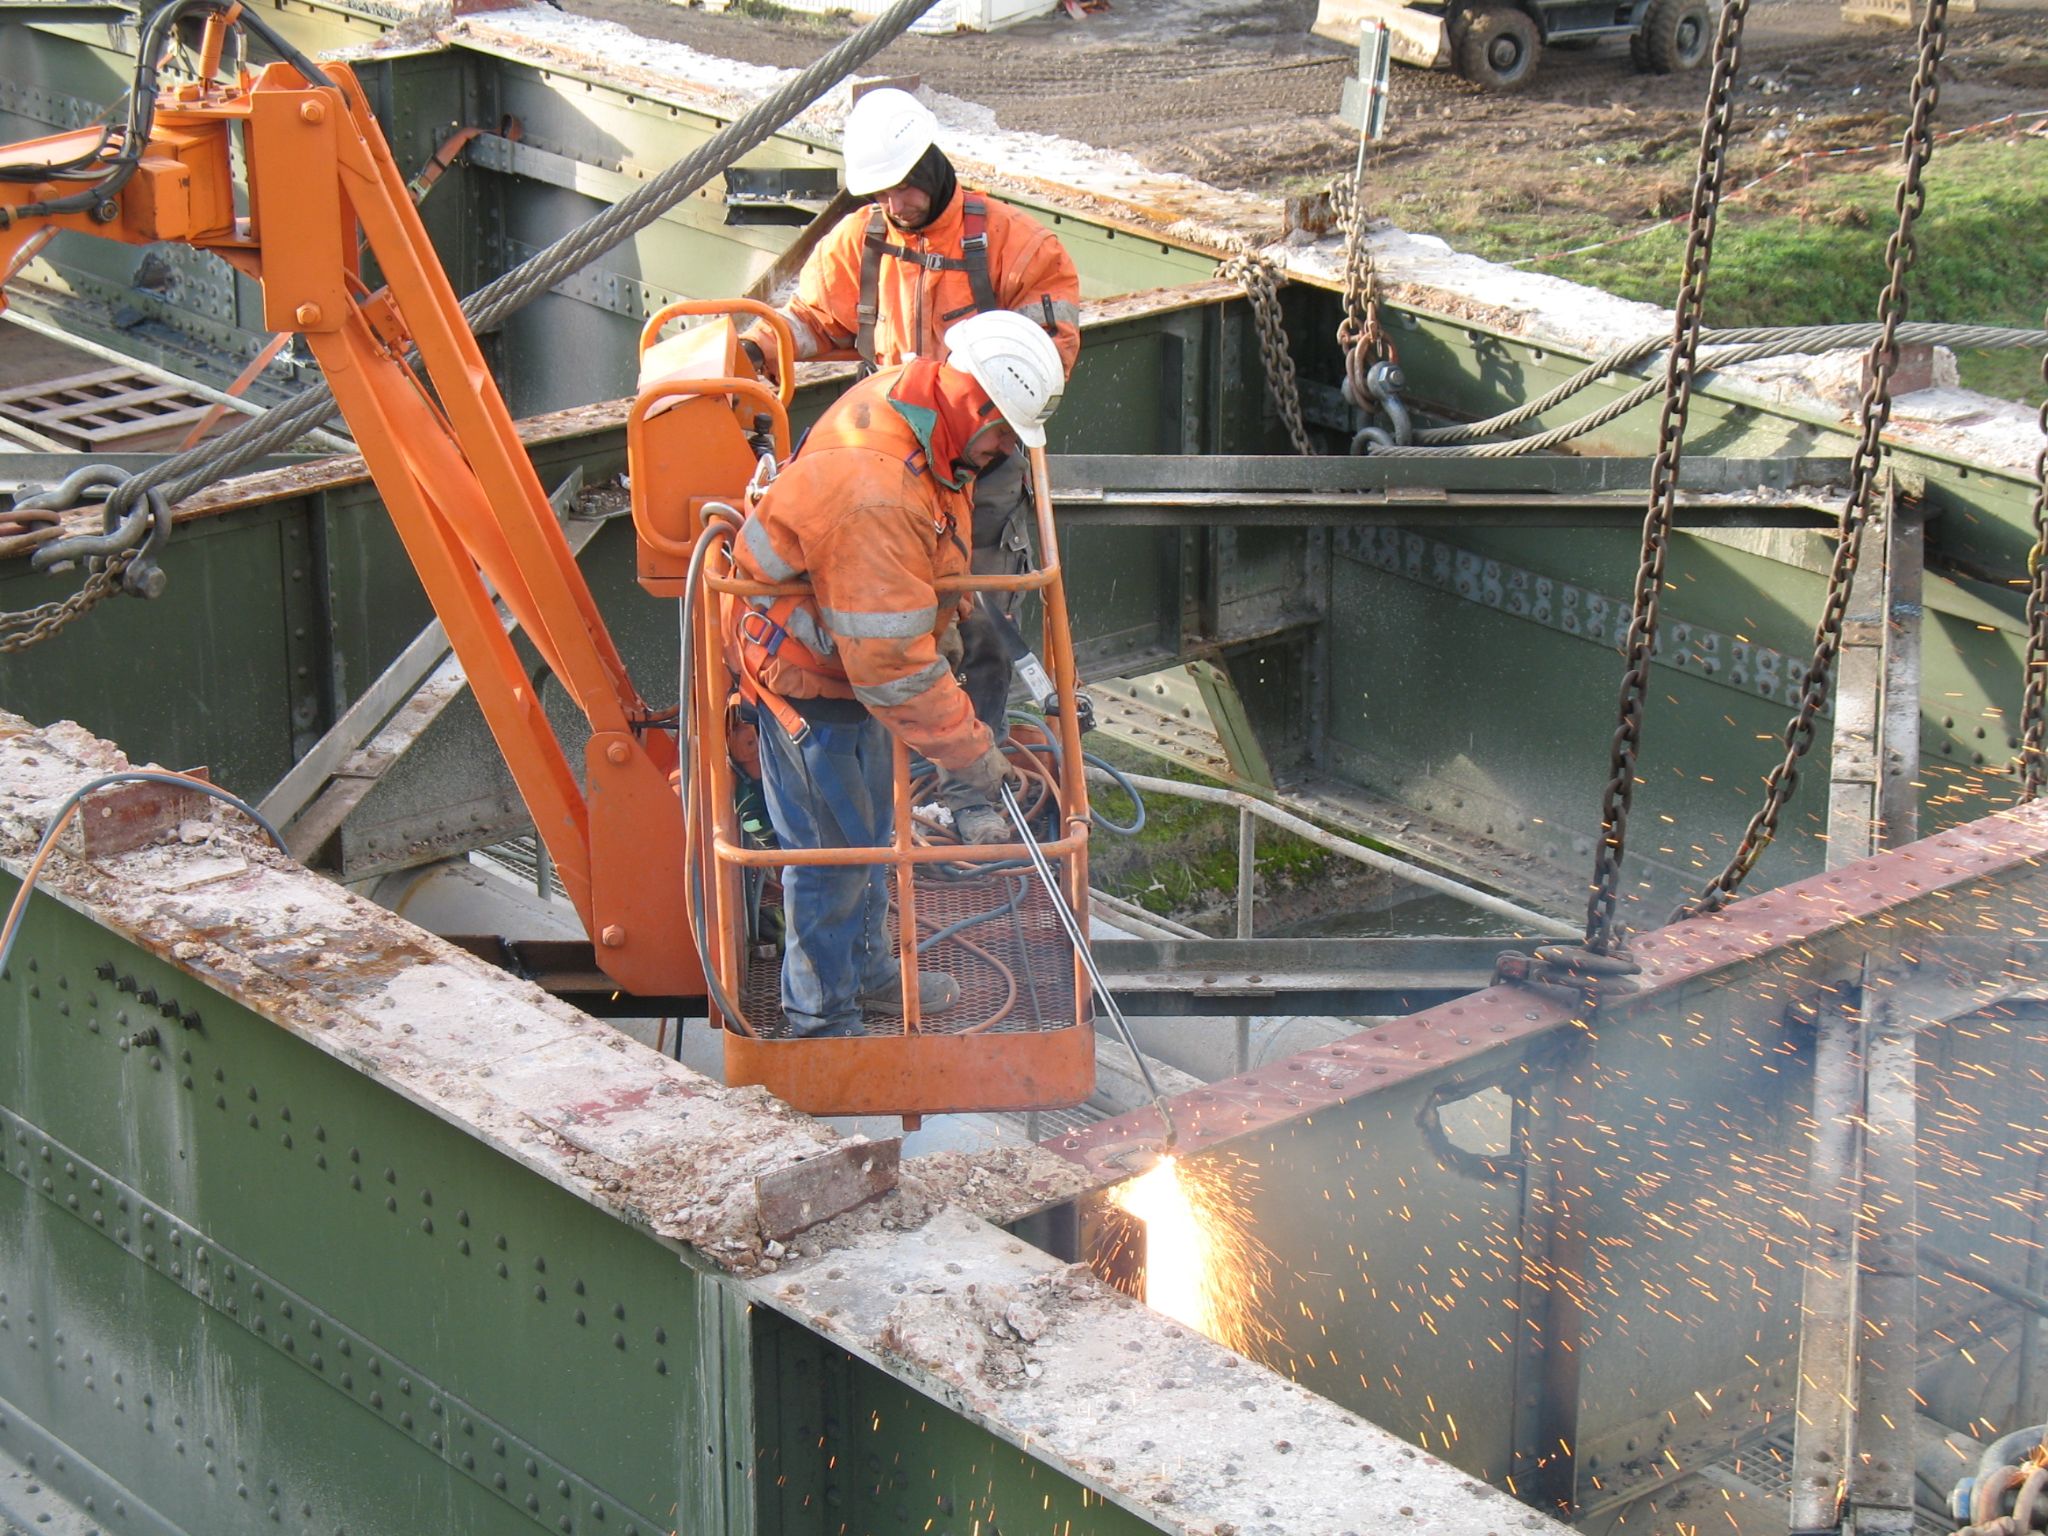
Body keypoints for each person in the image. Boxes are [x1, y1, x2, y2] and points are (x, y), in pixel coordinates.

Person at [739, 86, 1081, 845]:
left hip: (975, 467)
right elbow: (820, 322)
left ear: (935, 161)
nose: (896, 200)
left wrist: (978, 411)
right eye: (882, 190)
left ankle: (969, 791)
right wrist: (758, 347)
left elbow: (1047, 353)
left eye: (905, 183)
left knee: (980, 619)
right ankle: (897, 767)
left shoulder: (1013, 248)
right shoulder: (860, 244)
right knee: (890, 626)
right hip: (892, 458)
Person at [726, 311, 1066, 1038]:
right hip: (810, 684)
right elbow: (891, 667)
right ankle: (821, 1022)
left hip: (842, 666)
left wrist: (944, 615)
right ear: (978, 402)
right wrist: (975, 756)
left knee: (871, 831)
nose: (1006, 451)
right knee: (832, 855)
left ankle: (868, 972)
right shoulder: (875, 489)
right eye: (1005, 434)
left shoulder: (924, 416)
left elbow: (926, 547)